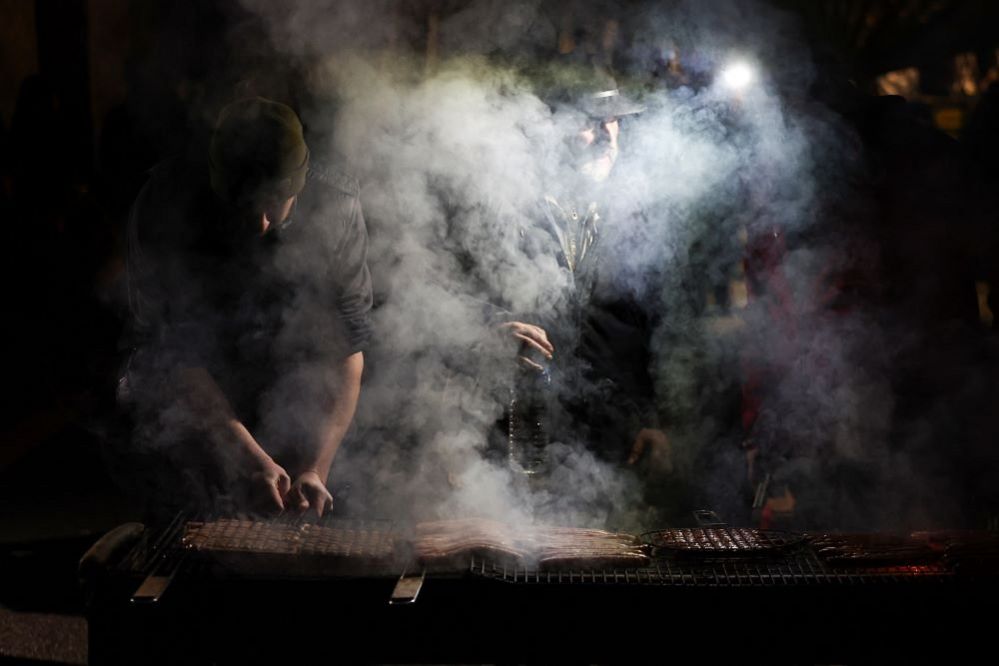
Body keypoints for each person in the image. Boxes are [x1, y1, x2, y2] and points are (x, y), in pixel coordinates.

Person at [119, 97, 372, 519]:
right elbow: (178, 359)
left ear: (300, 185)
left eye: (274, 204)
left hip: (292, 380)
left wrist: (316, 468)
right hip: (192, 386)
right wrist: (249, 457)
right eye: (244, 206)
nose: (261, 225)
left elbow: (347, 353)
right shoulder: (165, 206)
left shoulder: (335, 206)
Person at [499, 69, 671, 482]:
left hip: (609, 445)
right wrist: (492, 330)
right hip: (514, 436)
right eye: (591, 122)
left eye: (613, 121)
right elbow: (445, 305)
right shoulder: (506, 206)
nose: (608, 134)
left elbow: (651, 329)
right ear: (550, 128)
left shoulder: (635, 219)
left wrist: (653, 417)